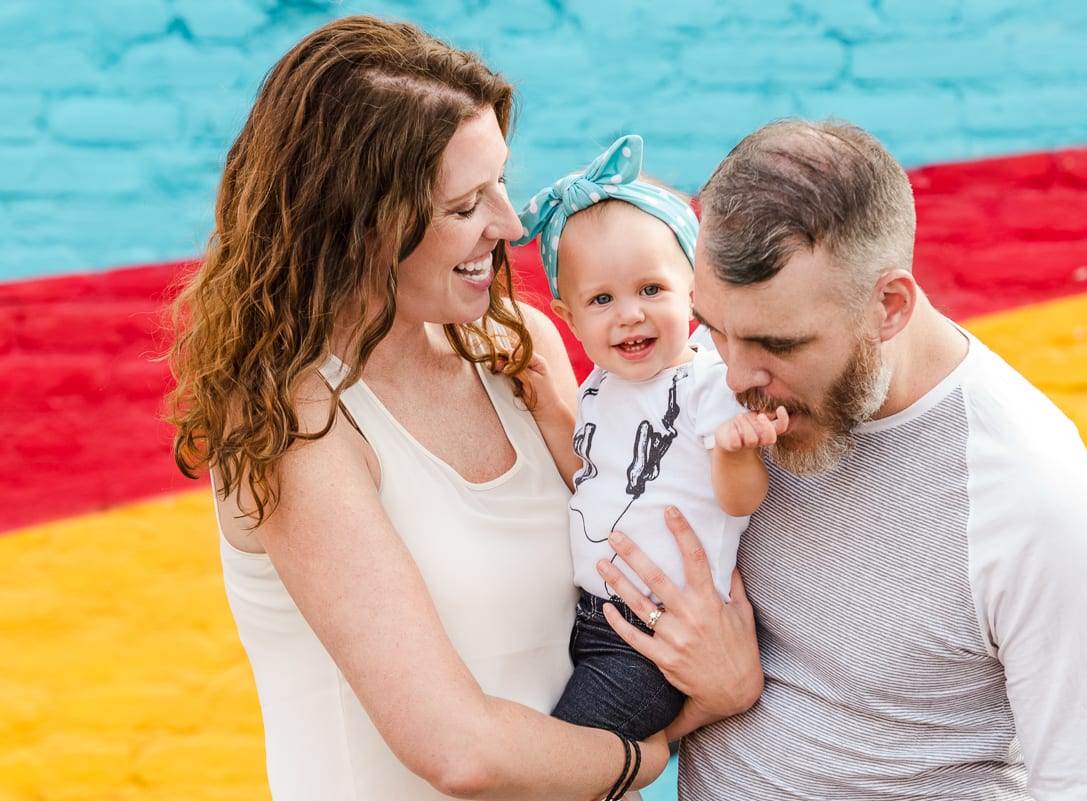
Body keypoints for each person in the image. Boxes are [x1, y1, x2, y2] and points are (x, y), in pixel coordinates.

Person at [166, 16, 754, 801]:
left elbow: (642, 533)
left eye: (500, 184)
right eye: (465, 205)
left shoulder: (518, 347)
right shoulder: (293, 421)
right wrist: (665, 742)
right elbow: (458, 748)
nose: (509, 226)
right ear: (360, 222)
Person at [594, 119, 1087, 800]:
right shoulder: (711, 387)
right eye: (713, 328)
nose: (734, 375)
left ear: (889, 305)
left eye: (780, 345)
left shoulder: (1036, 502)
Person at [511, 134, 787, 742]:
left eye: (651, 289)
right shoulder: (601, 385)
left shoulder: (708, 383)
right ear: (568, 317)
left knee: (568, 755)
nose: (629, 313)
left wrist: (736, 451)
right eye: (601, 299)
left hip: (653, 637)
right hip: (590, 617)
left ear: (694, 290)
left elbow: (739, 501)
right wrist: (546, 402)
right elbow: (591, 476)